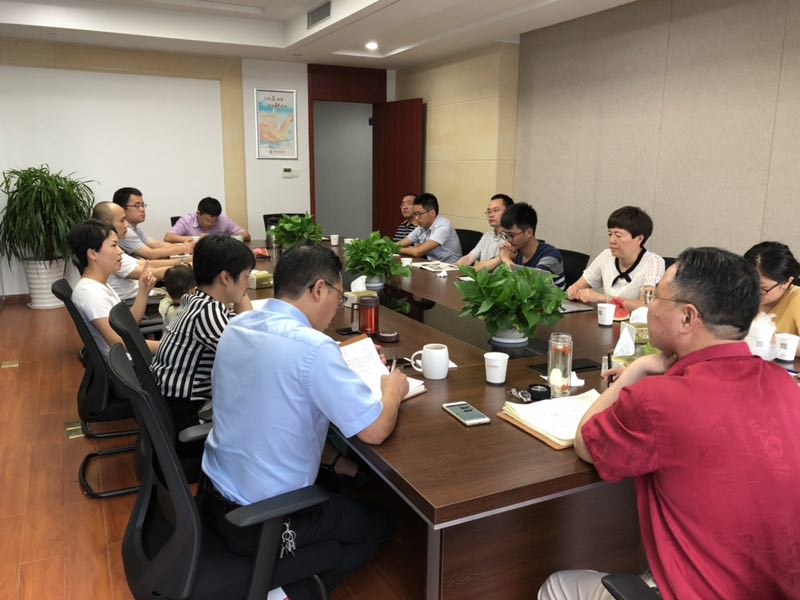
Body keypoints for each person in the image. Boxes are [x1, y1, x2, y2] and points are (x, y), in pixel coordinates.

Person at [539, 247, 800, 600]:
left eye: (657, 297)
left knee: (556, 586)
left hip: (698, 591)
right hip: (776, 588)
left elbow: (586, 443)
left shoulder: (659, 400)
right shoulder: (785, 385)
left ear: (688, 317)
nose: (649, 308)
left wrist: (636, 370)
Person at [201, 243, 409, 595]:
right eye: (339, 296)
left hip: (213, 499)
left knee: (339, 495)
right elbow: (375, 430)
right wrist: (393, 389)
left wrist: (338, 355)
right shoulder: (313, 348)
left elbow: (284, 364)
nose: (337, 307)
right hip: (266, 520)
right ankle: (284, 592)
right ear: (318, 289)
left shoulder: (239, 325)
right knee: (381, 524)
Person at [150, 235, 253, 430]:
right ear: (226, 277)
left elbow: (244, 329)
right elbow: (248, 358)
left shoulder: (197, 300)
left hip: (170, 399)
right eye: (246, 277)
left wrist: (238, 287)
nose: (247, 284)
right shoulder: (208, 313)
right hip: (185, 411)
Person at [67, 219, 158, 357]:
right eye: (114, 245)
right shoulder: (90, 293)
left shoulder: (99, 284)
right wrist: (169, 346)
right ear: (93, 254)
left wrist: (143, 291)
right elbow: (119, 342)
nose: (120, 251)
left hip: (134, 358)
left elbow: (128, 325)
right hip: (131, 364)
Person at [566, 206, 664, 311]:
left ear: (639, 238)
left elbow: (647, 305)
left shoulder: (654, 262)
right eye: (610, 234)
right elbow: (580, 284)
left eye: (618, 235)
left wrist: (604, 298)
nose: (611, 240)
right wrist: (574, 290)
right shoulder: (606, 255)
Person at [91, 201, 189, 301]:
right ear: (107, 224)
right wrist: (187, 266)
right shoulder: (109, 254)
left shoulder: (114, 247)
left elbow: (146, 263)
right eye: (122, 221)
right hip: (139, 301)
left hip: (145, 294)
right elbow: (151, 270)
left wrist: (184, 261)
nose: (126, 225)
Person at [475, 202, 566, 289]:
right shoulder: (515, 250)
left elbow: (529, 287)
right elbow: (477, 269)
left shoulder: (550, 255)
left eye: (511, 235)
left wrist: (506, 260)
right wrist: (500, 258)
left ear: (529, 232)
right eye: (505, 235)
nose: (508, 239)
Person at [743, 241, 800, 350]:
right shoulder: (739, 292)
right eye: (748, 283)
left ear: (787, 282)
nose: (752, 292)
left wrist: (768, 340)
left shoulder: (797, 299)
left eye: (762, 288)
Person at [112, 187, 194, 260]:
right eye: (137, 205)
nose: (142, 209)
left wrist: (183, 247)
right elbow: (150, 254)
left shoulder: (135, 228)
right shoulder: (125, 231)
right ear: (121, 208)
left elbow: (154, 243)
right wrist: (182, 249)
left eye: (142, 205)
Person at [397, 193, 462, 263]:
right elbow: (402, 243)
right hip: (432, 265)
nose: (416, 218)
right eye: (415, 214)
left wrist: (397, 249)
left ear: (432, 213)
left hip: (451, 267)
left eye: (419, 214)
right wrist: (391, 246)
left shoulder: (443, 225)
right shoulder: (421, 226)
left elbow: (417, 252)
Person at [456, 193, 514, 269]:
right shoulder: (487, 235)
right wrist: (451, 268)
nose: (491, 215)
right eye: (489, 211)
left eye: (495, 210)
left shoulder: (512, 237)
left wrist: (478, 265)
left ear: (508, 212)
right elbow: (469, 258)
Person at [165, 196, 250, 243]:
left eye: (214, 221)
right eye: (207, 220)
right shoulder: (187, 219)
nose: (211, 224)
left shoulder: (223, 218)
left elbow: (246, 235)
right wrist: (197, 239)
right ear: (198, 214)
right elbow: (168, 237)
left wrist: (227, 239)